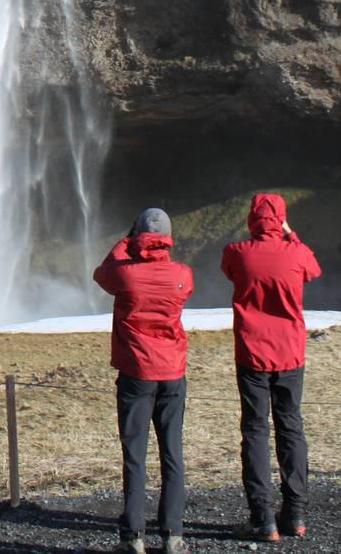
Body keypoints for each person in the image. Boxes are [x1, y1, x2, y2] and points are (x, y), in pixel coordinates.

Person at [220, 192, 322, 542]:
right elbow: (313, 269)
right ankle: (295, 515)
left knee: (255, 431)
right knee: (291, 428)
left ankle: (263, 518)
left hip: (251, 354)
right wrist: (290, 234)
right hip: (290, 354)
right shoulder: (297, 253)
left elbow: (229, 271)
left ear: (251, 219)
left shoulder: (237, 253)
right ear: (280, 218)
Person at [94, 207, 195, 554]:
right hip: (172, 373)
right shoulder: (182, 275)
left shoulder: (126, 276)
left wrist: (127, 241)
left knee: (135, 455)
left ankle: (133, 538)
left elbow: (102, 273)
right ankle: (174, 536)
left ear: (137, 236)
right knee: (172, 454)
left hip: (137, 374)